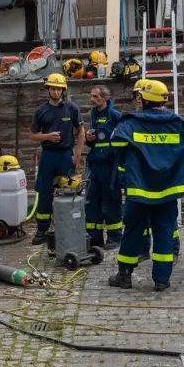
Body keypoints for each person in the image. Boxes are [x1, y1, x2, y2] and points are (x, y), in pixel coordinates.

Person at [108, 80, 184, 292]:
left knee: (133, 231)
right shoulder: (179, 122)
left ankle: (124, 276)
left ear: (143, 99)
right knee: (164, 231)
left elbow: (115, 144)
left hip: (140, 190)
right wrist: (180, 149)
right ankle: (161, 280)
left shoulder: (130, 123)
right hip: (168, 190)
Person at [30, 74, 82, 246]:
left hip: (66, 155)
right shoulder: (41, 110)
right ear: (48, 89)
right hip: (48, 156)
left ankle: (68, 225)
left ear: (63, 90)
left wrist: (77, 154)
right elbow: (33, 135)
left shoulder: (72, 108)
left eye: (59, 88)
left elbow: (80, 131)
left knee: (68, 191)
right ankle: (42, 229)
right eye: (53, 88)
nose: (56, 91)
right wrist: (47, 136)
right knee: (44, 193)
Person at [85, 85, 126, 250]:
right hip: (95, 165)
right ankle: (94, 239)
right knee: (92, 202)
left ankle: (115, 238)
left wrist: (113, 154)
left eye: (95, 96)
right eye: (91, 96)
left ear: (105, 98)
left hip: (110, 167)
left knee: (111, 202)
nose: (92, 99)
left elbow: (123, 139)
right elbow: (93, 141)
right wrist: (89, 138)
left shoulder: (114, 116)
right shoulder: (94, 114)